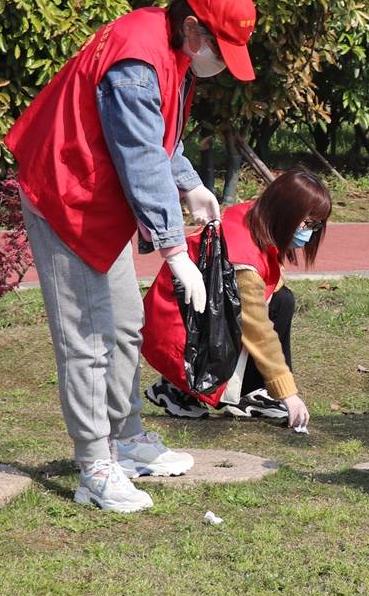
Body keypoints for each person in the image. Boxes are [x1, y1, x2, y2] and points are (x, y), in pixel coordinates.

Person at [4, 0, 257, 513]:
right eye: (221, 47)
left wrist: (189, 183)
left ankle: (127, 439)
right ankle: (95, 466)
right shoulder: (137, 61)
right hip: (67, 196)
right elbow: (140, 156)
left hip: (101, 196)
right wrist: (174, 251)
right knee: (88, 336)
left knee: (123, 325)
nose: (221, 63)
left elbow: (161, 136)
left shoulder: (172, 47)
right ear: (193, 26)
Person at [142, 167, 331, 429]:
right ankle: (183, 387)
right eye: (306, 223)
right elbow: (258, 331)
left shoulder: (256, 214)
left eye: (315, 225)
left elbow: (270, 283)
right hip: (175, 328)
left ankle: (240, 390)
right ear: (286, 214)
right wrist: (288, 393)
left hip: (189, 313)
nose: (309, 232)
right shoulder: (244, 260)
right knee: (267, 313)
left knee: (281, 300)